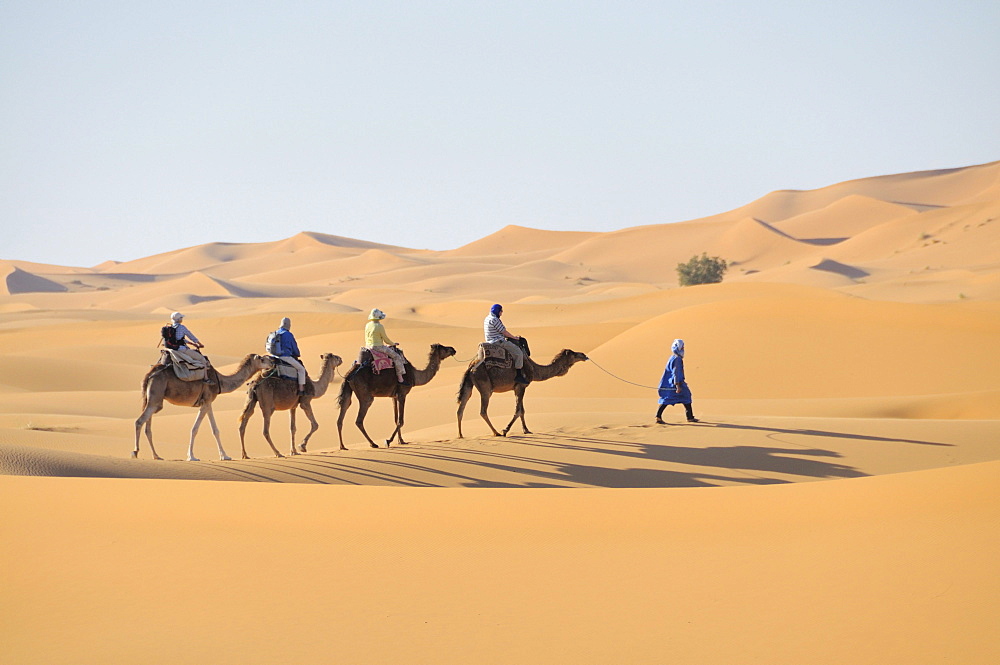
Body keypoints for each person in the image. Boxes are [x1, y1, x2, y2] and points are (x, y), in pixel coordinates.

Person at [353, 308, 407, 383]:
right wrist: (393, 344)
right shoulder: (379, 326)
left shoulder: (367, 325)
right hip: (378, 347)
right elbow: (386, 339)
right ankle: (400, 378)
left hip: (368, 346)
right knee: (396, 356)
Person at [656, 339, 699, 424]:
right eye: (682, 347)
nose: (683, 349)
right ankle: (689, 417)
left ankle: (658, 416)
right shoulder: (677, 359)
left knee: (673, 398)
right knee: (685, 397)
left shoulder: (672, 357)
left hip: (671, 382)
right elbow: (676, 372)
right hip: (676, 383)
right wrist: (678, 385)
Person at [484, 304, 529, 384]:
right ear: (497, 311)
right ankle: (519, 375)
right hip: (498, 342)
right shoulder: (495, 320)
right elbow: (504, 332)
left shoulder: (487, 318)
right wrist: (514, 338)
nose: (501, 313)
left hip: (490, 341)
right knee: (518, 352)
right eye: (501, 311)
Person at [273, 317, 307, 394]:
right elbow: (294, 347)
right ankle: (301, 390)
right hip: (285, 357)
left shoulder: (276, 333)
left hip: (274, 357)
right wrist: (297, 354)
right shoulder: (288, 334)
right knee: (301, 369)